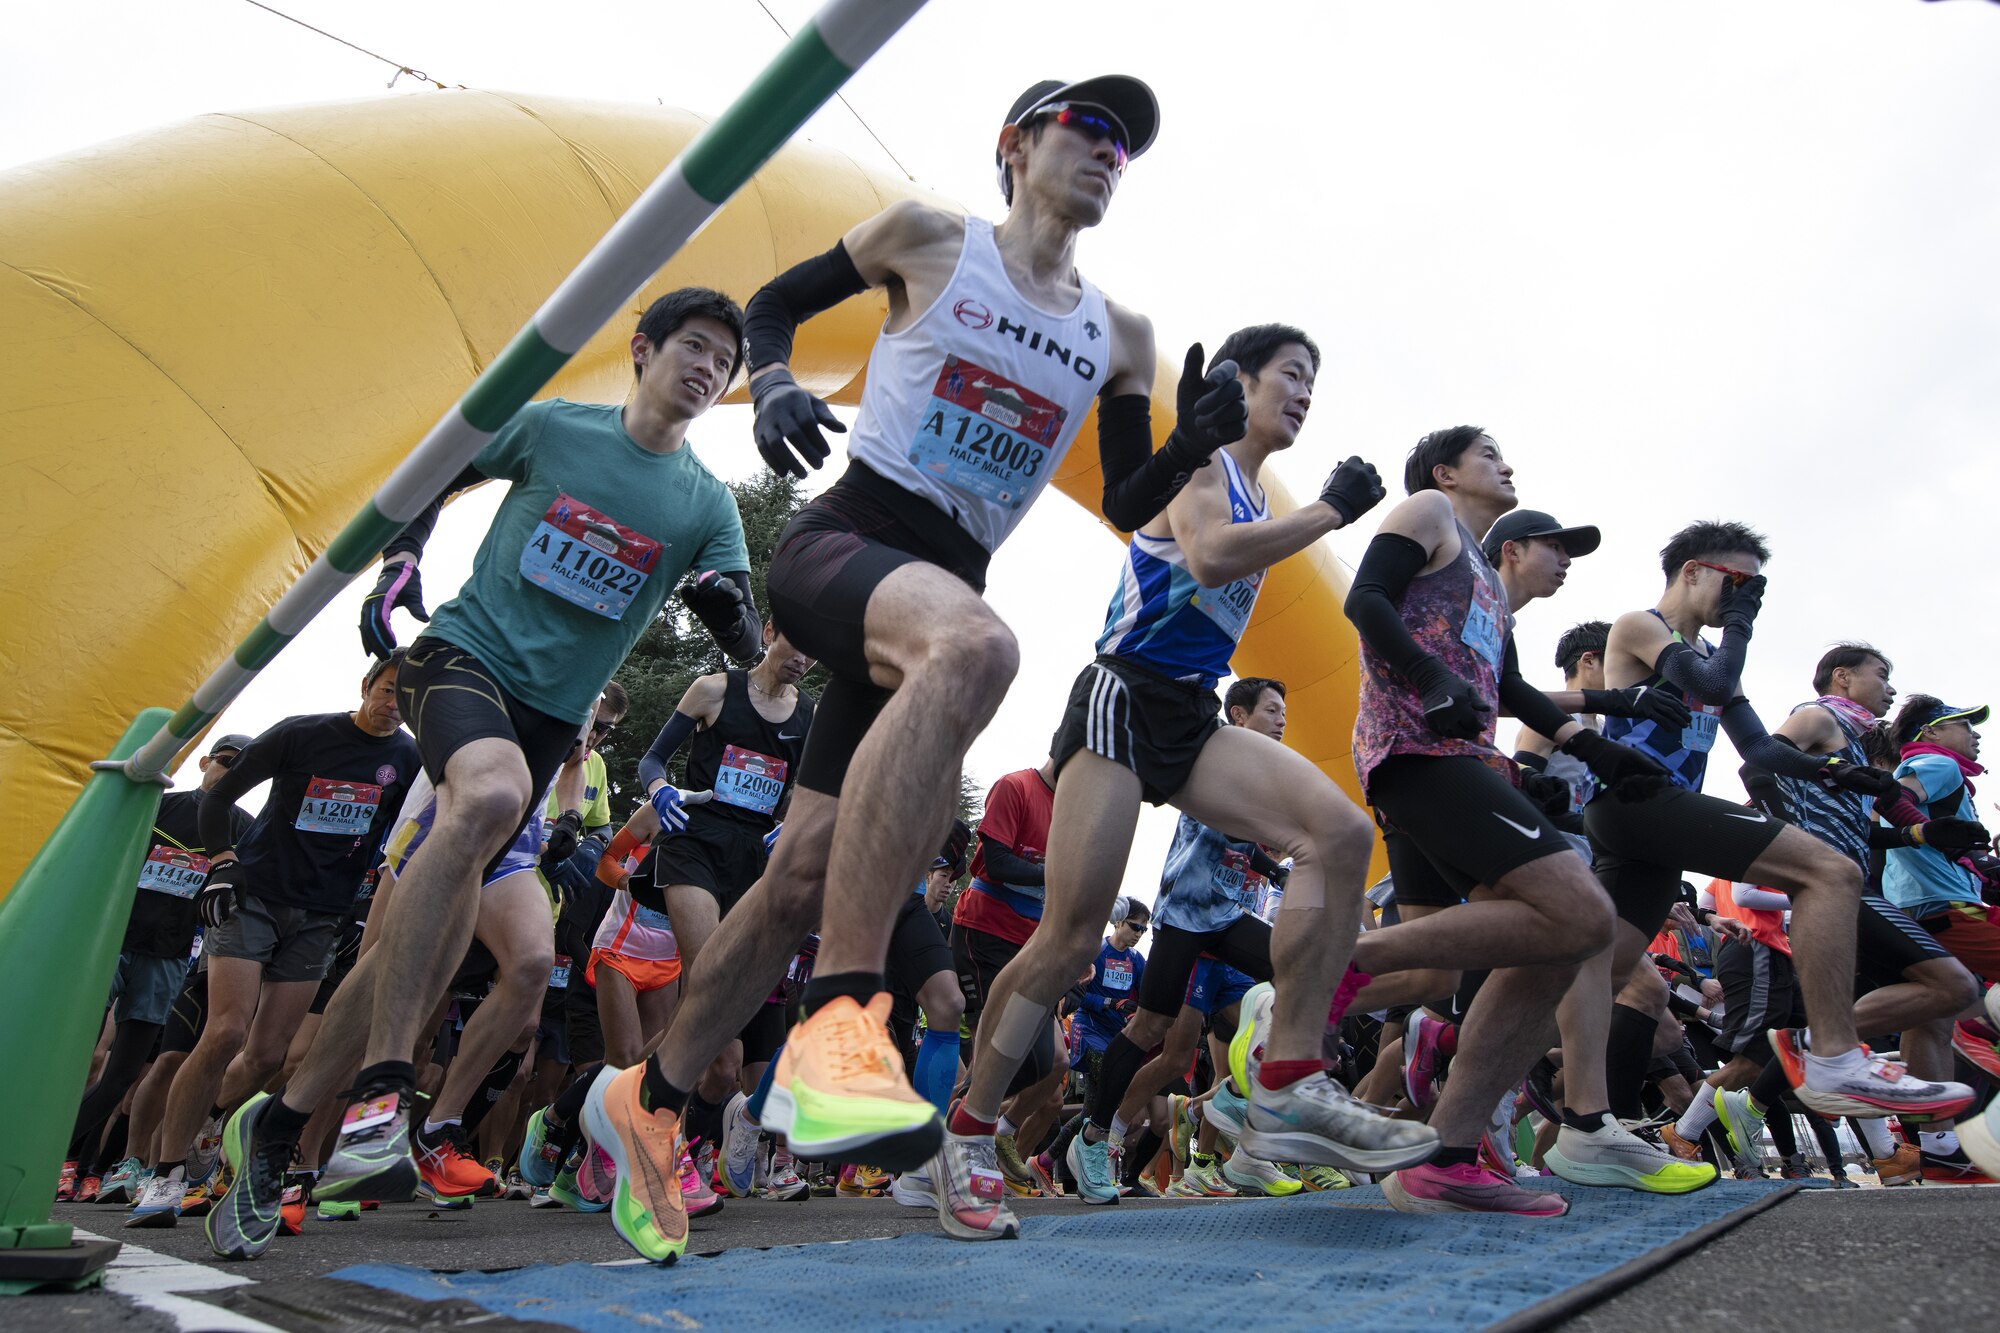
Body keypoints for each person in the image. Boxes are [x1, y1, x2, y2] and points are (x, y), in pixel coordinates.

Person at [588, 77, 1250, 1266]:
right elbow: (773, 304)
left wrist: (1192, 441)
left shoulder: (1122, 333)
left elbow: (1129, 496)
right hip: (849, 540)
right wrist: (776, 379)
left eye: (1124, 145)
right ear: (1016, 145)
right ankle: (841, 1022)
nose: (1107, 153)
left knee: (796, 871)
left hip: (940, 589)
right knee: (980, 650)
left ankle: (650, 1097)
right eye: (1085, 128)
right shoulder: (926, 236)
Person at [200, 287, 760, 1261]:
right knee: (494, 793)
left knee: (397, 958)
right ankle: (386, 1089)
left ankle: (279, 1125)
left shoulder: (706, 505)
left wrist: (729, 612)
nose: (709, 368)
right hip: (461, 660)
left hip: (549, 717)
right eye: (695, 346)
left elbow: (749, 636)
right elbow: (436, 467)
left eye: (725, 359)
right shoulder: (552, 430)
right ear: (642, 349)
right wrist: (399, 563)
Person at [936, 323, 1431, 1242]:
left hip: (1191, 715)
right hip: (1124, 693)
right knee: (1069, 938)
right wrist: (1331, 513)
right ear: (1238, 382)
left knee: (1341, 833)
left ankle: (1287, 1079)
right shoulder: (1205, 468)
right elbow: (1205, 559)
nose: (1306, 394)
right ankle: (967, 1129)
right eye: (1292, 375)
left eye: (1315, 383)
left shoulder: (1251, 489)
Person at [1547, 521, 1969, 1189]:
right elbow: (1711, 684)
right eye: (1738, 581)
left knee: (1607, 967)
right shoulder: (1640, 625)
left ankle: (1579, 1123)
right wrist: (1742, 626)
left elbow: (1762, 752)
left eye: (1756, 589)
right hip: (1635, 802)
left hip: (1651, 832)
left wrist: (1846, 774)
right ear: (1691, 571)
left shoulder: (1711, 651)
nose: (1747, 599)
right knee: (1829, 869)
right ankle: (1833, 1055)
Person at [1338, 427, 1663, 1217]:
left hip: (1465, 757)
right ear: (1447, 471)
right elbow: (1364, 597)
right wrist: (1426, 673)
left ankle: (1446, 1154)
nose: (1507, 464)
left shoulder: (1483, 572)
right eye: (1490, 455)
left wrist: (1598, 750)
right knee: (1583, 910)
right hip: (1416, 748)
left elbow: (1513, 687)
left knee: (1556, 936)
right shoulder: (1426, 511)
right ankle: (1332, 967)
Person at [128, 658, 418, 1233]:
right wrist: (221, 863)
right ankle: (164, 1175)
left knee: (271, 1055)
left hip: (321, 914)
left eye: (405, 700)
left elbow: (399, 837)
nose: (393, 706)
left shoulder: (407, 759)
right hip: (252, 895)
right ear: (364, 687)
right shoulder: (301, 732)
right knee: (225, 1032)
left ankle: (211, 1128)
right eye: (386, 692)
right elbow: (218, 797)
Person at [67, 734, 251, 1205]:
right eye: (225, 762)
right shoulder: (159, 806)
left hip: (168, 956)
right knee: (74, 1056)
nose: (230, 773)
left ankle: (71, 1161)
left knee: (124, 1073)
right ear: (206, 761)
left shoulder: (245, 829)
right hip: (111, 942)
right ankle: (51, 1152)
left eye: (242, 768)